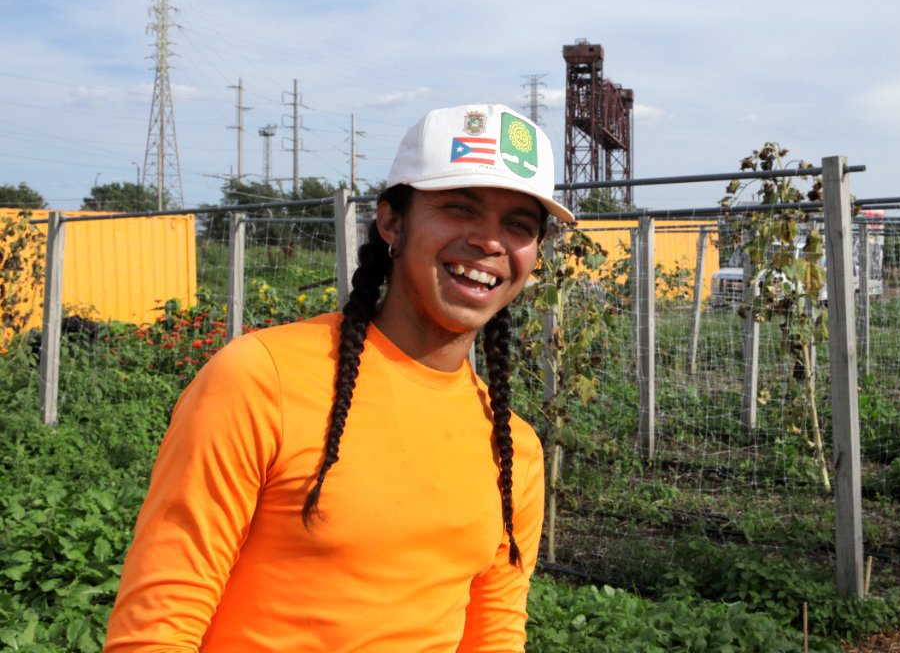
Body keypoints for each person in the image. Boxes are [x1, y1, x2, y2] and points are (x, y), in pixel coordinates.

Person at [104, 104, 574, 652]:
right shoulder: (262, 379)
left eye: (518, 225)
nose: (490, 242)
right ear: (392, 221)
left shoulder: (514, 447)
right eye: (458, 208)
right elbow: (159, 624)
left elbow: (494, 634)